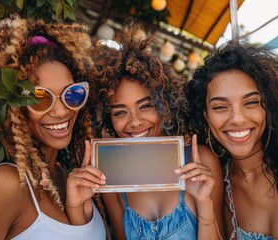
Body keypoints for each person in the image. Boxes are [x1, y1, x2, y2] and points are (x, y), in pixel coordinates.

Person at [0, 18, 107, 239]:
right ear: (13, 108)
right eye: (40, 98)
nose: (62, 111)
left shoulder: (64, 174)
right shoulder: (6, 185)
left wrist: (77, 213)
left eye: (72, 94)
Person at [88, 23, 224, 240]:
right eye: (120, 112)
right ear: (107, 118)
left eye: (146, 106)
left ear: (165, 107)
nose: (134, 122)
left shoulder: (200, 162)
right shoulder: (110, 175)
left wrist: (204, 205)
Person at [186, 43, 278, 239]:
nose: (237, 118)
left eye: (251, 102)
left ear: (269, 107)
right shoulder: (218, 181)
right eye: (220, 107)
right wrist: (204, 206)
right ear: (206, 116)